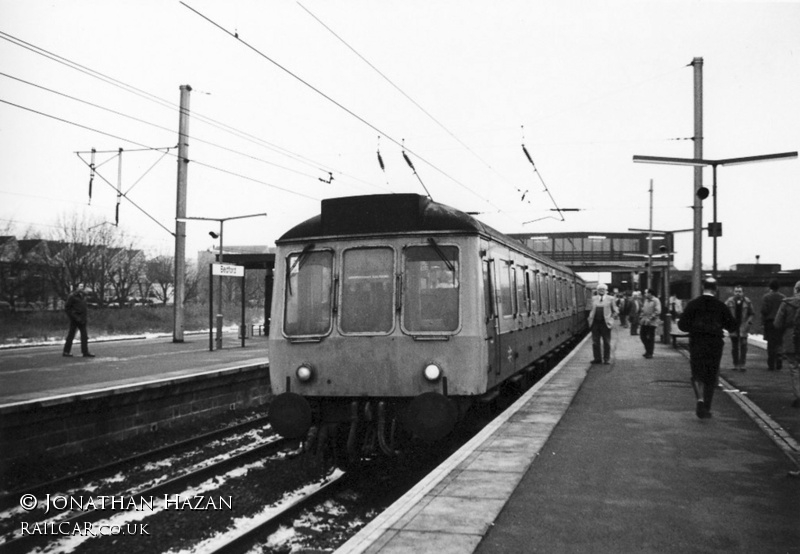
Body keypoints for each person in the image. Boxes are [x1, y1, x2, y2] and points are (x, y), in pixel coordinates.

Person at [678, 278, 737, 418]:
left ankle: (699, 400)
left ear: (702, 288)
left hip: (697, 343)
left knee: (697, 373)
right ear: (716, 289)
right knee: (711, 376)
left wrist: (693, 327)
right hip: (715, 344)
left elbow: (682, 325)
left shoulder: (693, 304)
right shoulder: (721, 306)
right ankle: (707, 407)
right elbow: (732, 325)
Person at [774, 280, 800, 408]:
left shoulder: (786, 303)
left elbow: (777, 323)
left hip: (791, 338)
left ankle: (798, 396)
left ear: (795, 290)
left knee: (794, 368)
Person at [724, 285, 754, 371]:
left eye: (739, 291)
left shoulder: (747, 302)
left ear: (743, 292)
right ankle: (736, 364)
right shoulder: (729, 301)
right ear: (734, 292)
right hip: (733, 326)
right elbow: (724, 312)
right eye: (736, 291)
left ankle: (742, 364)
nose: (738, 293)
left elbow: (752, 313)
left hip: (743, 326)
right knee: (735, 347)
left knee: (743, 346)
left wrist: (749, 322)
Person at [588, 283, 618, 364]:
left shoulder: (611, 299)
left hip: (605, 323)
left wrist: (611, 319)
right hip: (595, 323)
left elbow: (615, 311)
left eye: (603, 289)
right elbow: (590, 309)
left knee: (606, 342)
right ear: (597, 291)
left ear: (606, 290)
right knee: (595, 342)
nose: (601, 291)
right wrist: (590, 318)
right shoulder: (593, 298)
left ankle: (606, 359)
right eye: (599, 289)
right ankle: (597, 358)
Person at [761, 279, 785, 371]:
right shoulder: (783, 297)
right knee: (779, 341)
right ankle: (779, 356)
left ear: (770, 287)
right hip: (780, 322)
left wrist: (762, 322)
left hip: (769, 322)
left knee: (771, 343)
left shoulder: (766, 297)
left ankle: (771, 364)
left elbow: (764, 310)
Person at [63, 289, 95, 358]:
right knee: (71, 335)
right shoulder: (73, 296)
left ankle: (85, 352)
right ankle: (66, 351)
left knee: (84, 336)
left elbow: (83, 308)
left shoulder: (83, 297)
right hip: (75, 319)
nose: (88, 295)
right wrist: (74, 316)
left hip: (82, 319)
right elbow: (67, 308)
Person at [639, 288, 662, 358]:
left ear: (650, 293)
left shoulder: (656, 300)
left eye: (646, 293)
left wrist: (651, 317)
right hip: (644, 321)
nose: (645, 294)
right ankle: (647, 350)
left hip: (652, 322)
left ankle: (650, 352)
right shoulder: (646, 300)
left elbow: (658, 311)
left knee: (650, 337)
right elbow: (643, 309)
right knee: (642, 336)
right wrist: (641, 316)